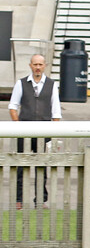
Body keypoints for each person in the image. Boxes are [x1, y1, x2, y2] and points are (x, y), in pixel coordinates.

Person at [8, 54, 61, 209]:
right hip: (24, 131)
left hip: (44, 131)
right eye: (35, 64)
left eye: (40, 64)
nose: (38, 67)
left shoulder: (52, 85)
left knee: (42, 166)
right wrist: (18, 126)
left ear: (45, 66)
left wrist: (54, 136)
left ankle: (41, 200)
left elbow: (56, 112)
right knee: (20, 165)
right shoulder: (21, 83)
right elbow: (13, 106)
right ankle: (19, 199)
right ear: (30, 65)